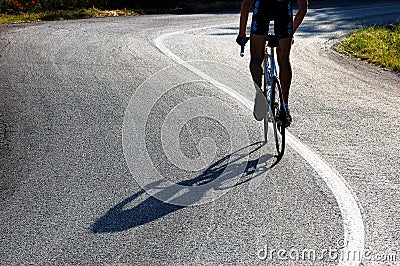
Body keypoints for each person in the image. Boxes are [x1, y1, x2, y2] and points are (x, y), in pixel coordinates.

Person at [237, 0, 308, 126]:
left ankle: (260, 94)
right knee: (284, 59)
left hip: (263, 9)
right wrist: (290, 33)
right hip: (283, 10)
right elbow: (303, 8)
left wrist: (242, 34)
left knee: (256, 58)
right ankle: (284, 107)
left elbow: (246, 4)